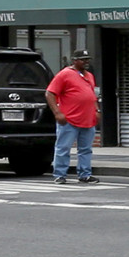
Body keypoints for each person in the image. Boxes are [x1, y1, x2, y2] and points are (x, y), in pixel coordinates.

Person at [46, 49, 101, 185]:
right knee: (63, 148)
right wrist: (57, 112)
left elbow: (92, 95)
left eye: (87, 59)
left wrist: (97, 110)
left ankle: (85, 174)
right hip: (69, 119)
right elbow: (50, 93)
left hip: (87, 118)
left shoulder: (89, 76)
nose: (86, 62)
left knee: (86, 149)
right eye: (83, 59)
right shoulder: (64, 74)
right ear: (74, 60)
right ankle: (60, 174)